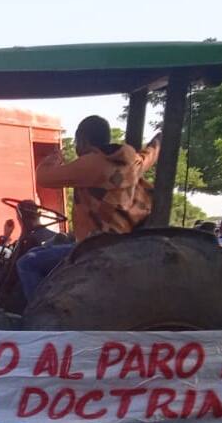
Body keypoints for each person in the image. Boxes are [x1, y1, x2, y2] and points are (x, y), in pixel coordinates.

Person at [17, 115, 160, 298]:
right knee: (48, 247)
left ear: (83, 140)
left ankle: (41, 320)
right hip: (123, 240)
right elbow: (150, 155)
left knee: (28, 263)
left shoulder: (91, 164)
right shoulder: (132, 161)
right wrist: (159, 139)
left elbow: (44, 178)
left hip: (96, 246)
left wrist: (54, 158)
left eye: (77, 141)